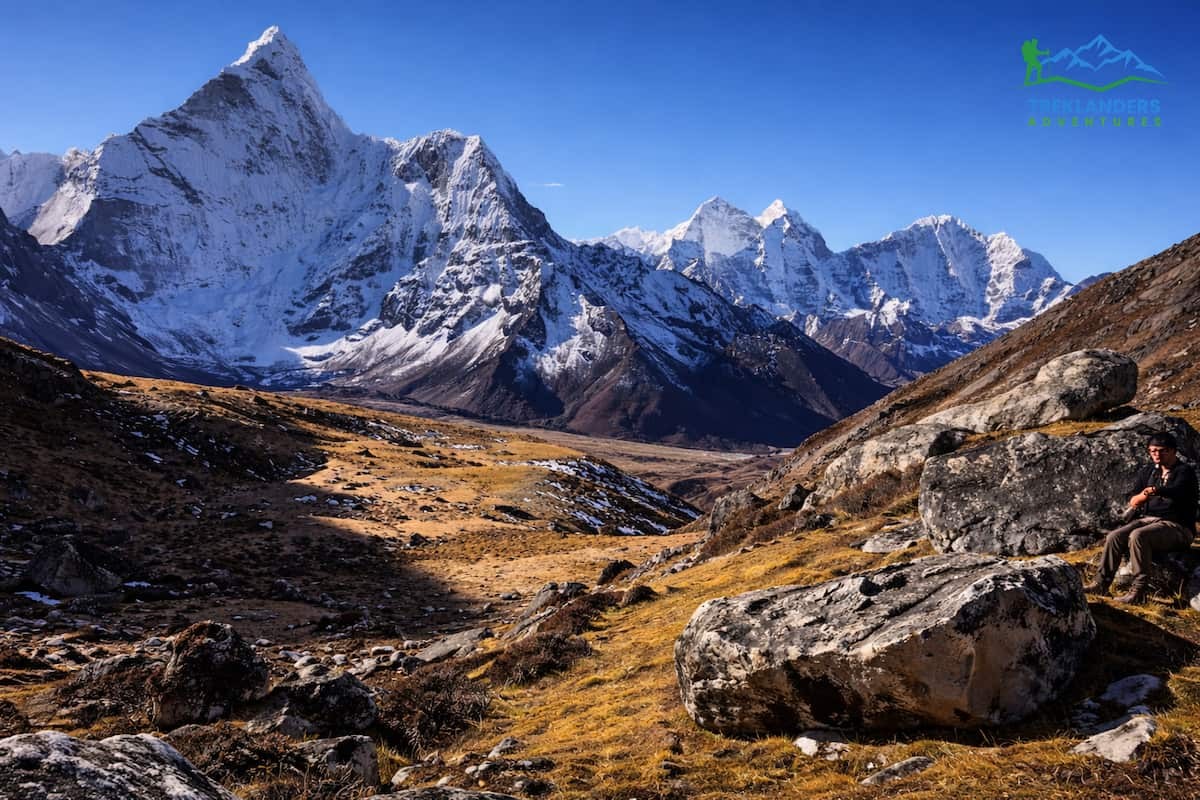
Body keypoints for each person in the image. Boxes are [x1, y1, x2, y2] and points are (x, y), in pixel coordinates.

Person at [1084, 432, 1199, 604]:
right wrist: (1140, 496)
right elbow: (1133, 497)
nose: (1157, 455)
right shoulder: (1149, 472)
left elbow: (1177, 491)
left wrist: (1150, 492)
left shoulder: (1185, 472)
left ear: (1174, 451)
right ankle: (1101, 583)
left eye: (1162, 451)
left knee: (1139, 536)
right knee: (1114, 537)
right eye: (1153, 451)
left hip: (1178, 527)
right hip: (1148, 520)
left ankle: (1138, 591)